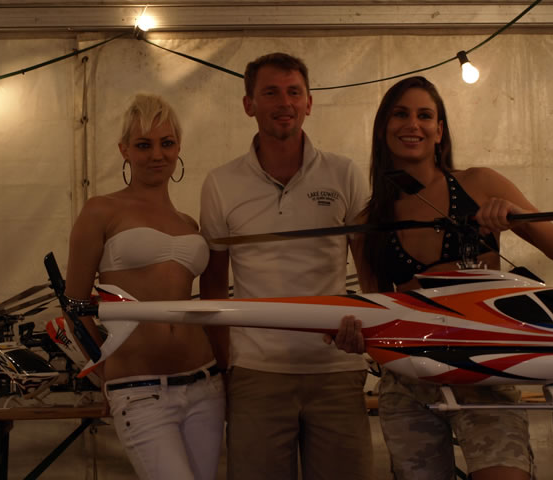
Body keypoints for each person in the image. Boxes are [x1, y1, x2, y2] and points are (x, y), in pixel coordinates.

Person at [352, 76, 553, 480]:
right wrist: (356, 337)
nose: (413, 125)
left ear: (439, 130)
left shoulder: (480, 183)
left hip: (486, 369)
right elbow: (376, 310)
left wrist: (516, 217)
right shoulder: (368, 221)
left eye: (425, 116)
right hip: (409, 381)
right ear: (383, 127)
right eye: (401, 114)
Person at [200, 52, 373, 480]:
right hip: (256, 374)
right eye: (271, 93)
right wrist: (225, 368)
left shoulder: (345, 173)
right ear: (248, 104)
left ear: (309, 102)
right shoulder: (220, 183)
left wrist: (374, 340)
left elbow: (370, 272)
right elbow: (213, 287)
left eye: (294, 92)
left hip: (336, 371)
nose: (285, 103)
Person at [64, 93, 225, 480]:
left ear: (178, 147)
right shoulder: (101, 210)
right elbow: (74, 306)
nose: (156, 154)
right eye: (143, 144)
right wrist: (105, 373)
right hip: (138, 387)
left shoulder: (189, 222)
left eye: (166, 143)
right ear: (124, 150)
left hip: (205, 382)